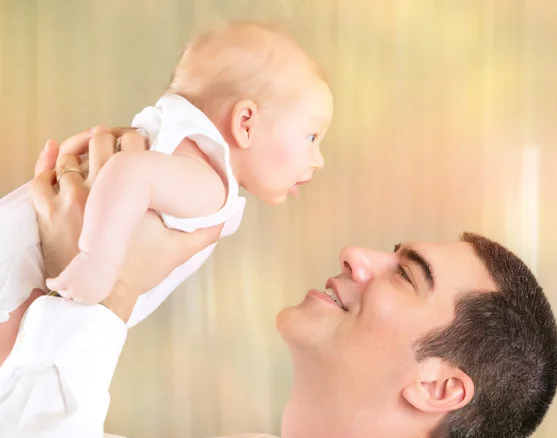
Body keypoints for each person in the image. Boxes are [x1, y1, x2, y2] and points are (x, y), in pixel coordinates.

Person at [0, 133, 557, 438]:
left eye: (406, 275)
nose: (356, 255)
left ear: (438, 387)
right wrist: (66, 239)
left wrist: (106, 290)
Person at [0, 20, 333, 360]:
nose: (318, 160)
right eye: (311, 137)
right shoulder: (208, 183)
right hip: (25, 276)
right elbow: (126, 171)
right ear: (245, 122)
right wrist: (96, 259)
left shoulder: (171, 140)